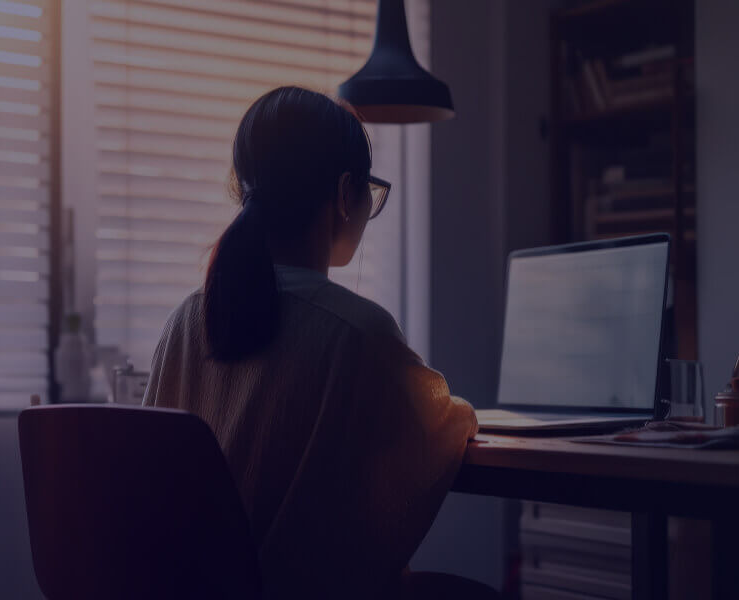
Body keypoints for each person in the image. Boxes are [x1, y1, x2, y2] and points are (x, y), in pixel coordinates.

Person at [143, 86, 492, 600]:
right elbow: (441, 424)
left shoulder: (186, 320)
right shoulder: (357, 333)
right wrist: (463, 412)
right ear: (344, 192)